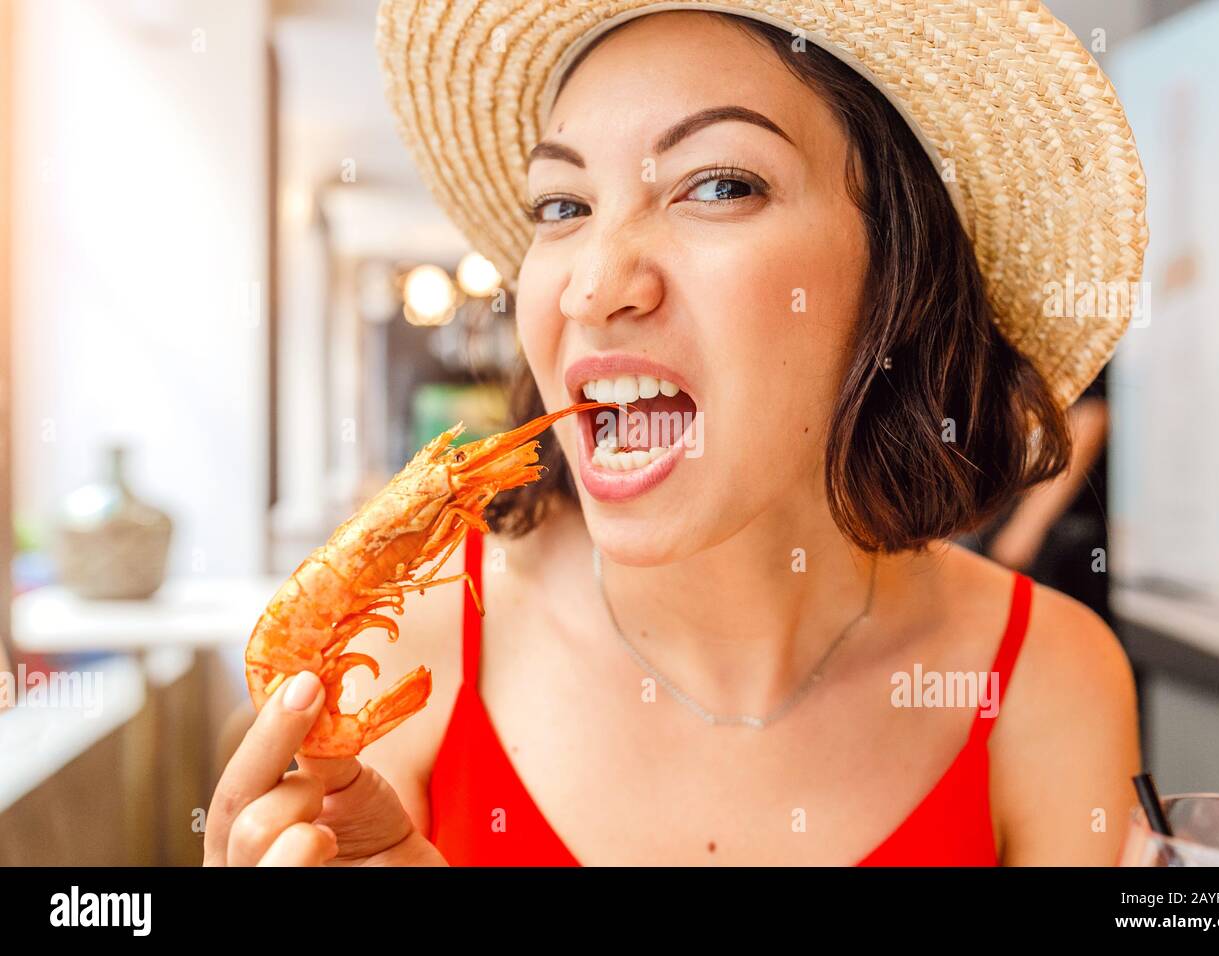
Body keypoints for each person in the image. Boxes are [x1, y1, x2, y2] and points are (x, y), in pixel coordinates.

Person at [204, 1, 1148, 867]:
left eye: (720, 185)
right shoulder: (404, 657)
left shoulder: (1049, 679)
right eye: (563, 207)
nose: (593, 283)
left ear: (899, 271)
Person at [959, 368, 1113, 628]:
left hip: (1059, 541)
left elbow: (1089, 416)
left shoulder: (1069, 333)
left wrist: (1024, 531)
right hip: (1002, 521)